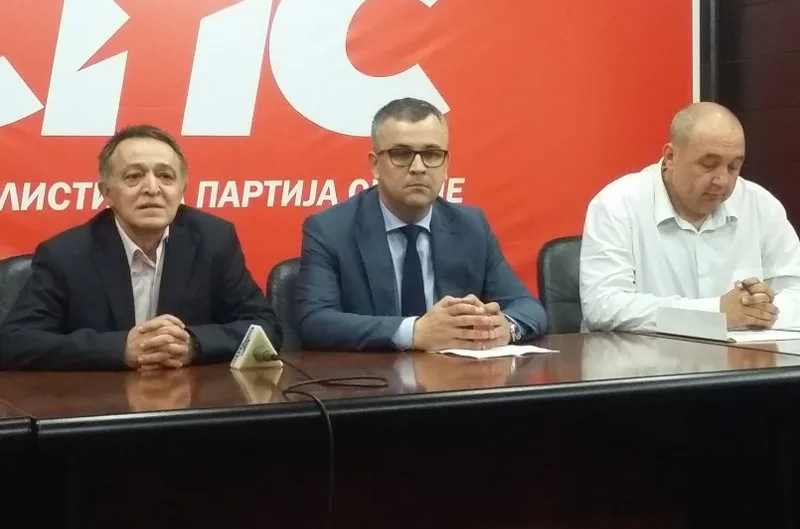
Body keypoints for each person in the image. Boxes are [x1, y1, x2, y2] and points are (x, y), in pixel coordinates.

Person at [0, 125, 282, 370]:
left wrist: (193, 344)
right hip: (98, 404)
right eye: (134, 176)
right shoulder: (66, 255)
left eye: (166, 176)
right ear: (106, 192)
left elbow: (265, 326)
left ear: (182, 189)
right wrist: (120, 348)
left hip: (190, 402)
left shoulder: (214, 240)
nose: (152, 188)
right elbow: (14, 342)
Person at [296, 97, 547, 351]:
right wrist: (414, 332)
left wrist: (505, 327)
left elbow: (528, 307)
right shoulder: (330, 230)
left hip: (455, 374)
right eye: (401, 154)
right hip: (372, 373)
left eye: (431, 154)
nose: (418, 168)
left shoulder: (471, 226)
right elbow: (314, 321)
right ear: (375, 165)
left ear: (446, 165)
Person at [580, 101, 800, 332]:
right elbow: (603, 307)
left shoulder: (760, 205)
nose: (722, 180)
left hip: (742, 353)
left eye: (733, 167)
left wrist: (761, 310)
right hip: (647, 355)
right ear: (670, 157)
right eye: (709, 165)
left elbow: (795, 290)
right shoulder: (618, 205)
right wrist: (716, 313)